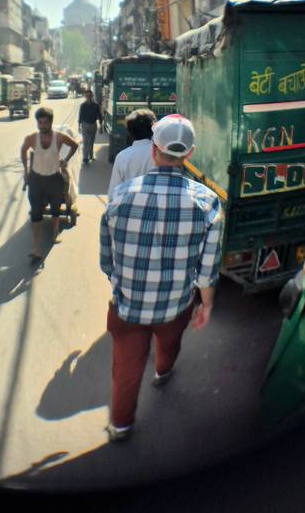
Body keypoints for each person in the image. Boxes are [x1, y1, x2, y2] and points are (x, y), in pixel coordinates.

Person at [100, 113, 224, 442]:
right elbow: (207, 270)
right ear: (190, 154)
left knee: (125, 368)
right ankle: (163, 371)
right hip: (176, 304)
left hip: (127, 305)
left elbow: (106, 259)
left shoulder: (120, 198)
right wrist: (206, 306)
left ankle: (121, 425)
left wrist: (122, 282)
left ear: (154, 151)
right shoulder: (208, 203)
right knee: (169, 343)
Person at [21, 107, 79, 263]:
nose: (42, 125)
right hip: (36, 180)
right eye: (40, 122)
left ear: (50, 122)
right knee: (36, 213)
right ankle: (36, 248)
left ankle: (54, 230)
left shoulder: (59, 137)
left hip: (54, 178)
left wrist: (65, 160)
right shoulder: (31, 138)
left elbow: (75, 145)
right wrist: (26, 171)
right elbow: (23, 150)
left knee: (55, 209)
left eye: (45, 122)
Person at [107, 108, 157, 201]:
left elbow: (112, 195)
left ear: (130, 132)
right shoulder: (160, 155)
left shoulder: (122, 157)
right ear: (153, 130)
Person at [78, 89, 103, 164]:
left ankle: (91, 156)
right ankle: (85, 158)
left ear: (92, 96)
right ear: (85, 96)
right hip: (85, 125)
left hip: (93, 125)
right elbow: (80, 116)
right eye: (87, 96)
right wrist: (79, 126)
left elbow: (99, 116)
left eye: (90, 95)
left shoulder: (96, 105)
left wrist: (101, 126)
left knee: (91, 142)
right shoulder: (82, 105)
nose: (88, 97)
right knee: (85, 142)